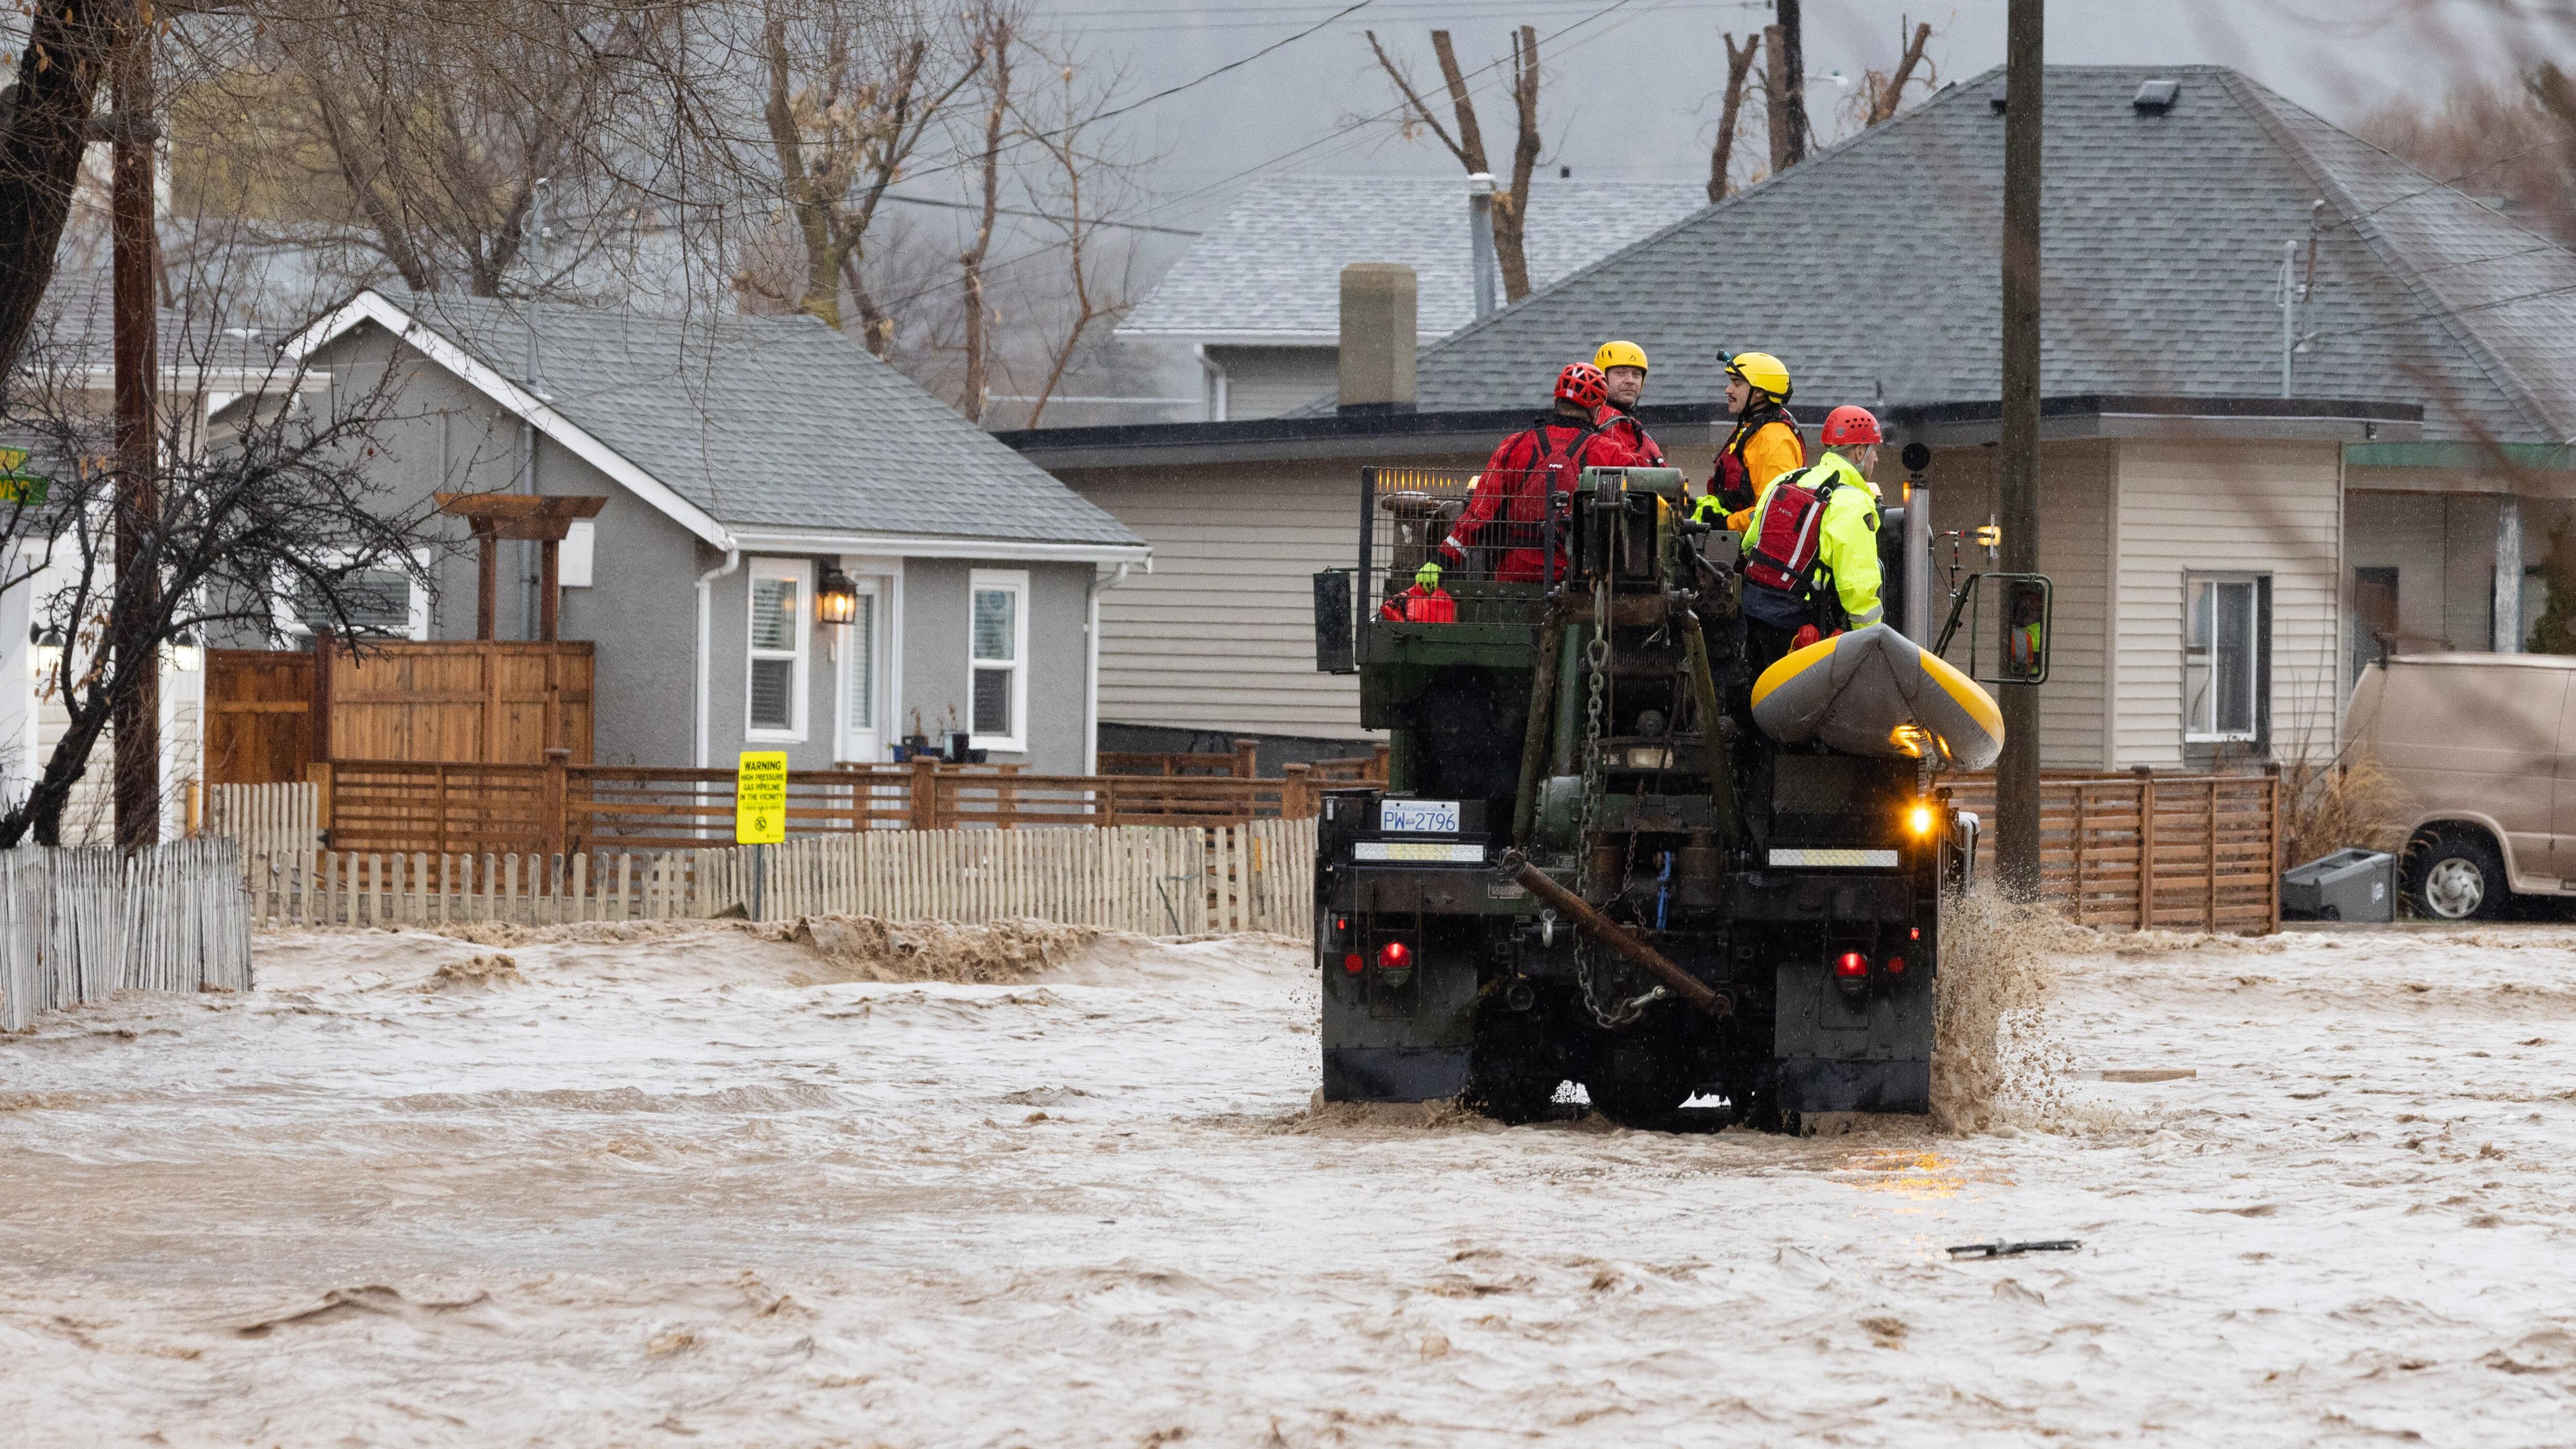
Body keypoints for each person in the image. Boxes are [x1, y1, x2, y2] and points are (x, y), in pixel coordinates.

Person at [1424, 363, 1639, 586]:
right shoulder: (1610, 452)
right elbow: (1642, 500)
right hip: (1575, 582)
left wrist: (1439, 562)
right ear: (1596, 411)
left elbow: (1479, 515)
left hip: (1514, 579)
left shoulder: (1514, 445)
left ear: (1556, 401)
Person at [1737, 404, 1888, 672]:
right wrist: (1872, 647)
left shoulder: (1787, 479)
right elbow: (1859, 591)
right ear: (1859, 452)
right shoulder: (1853, 504)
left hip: (1750, 618)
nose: (1876, 460)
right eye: (1874, 451)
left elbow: (1750, 543)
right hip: (1802, 634)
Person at [1696, 350, 1804, 529]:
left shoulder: (1774, 439)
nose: (1728, 390)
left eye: (1736, 384)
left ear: (1760, 392)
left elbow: (1775, 509)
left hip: (1757, 551)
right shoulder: (1750, 428)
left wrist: (1727, 523)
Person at [1590, 340, 1665, 466]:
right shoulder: (1603, 423)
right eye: (1621, 373)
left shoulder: (1632, 425)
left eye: (1636, 375)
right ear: (1602, 377)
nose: (1630, 381)